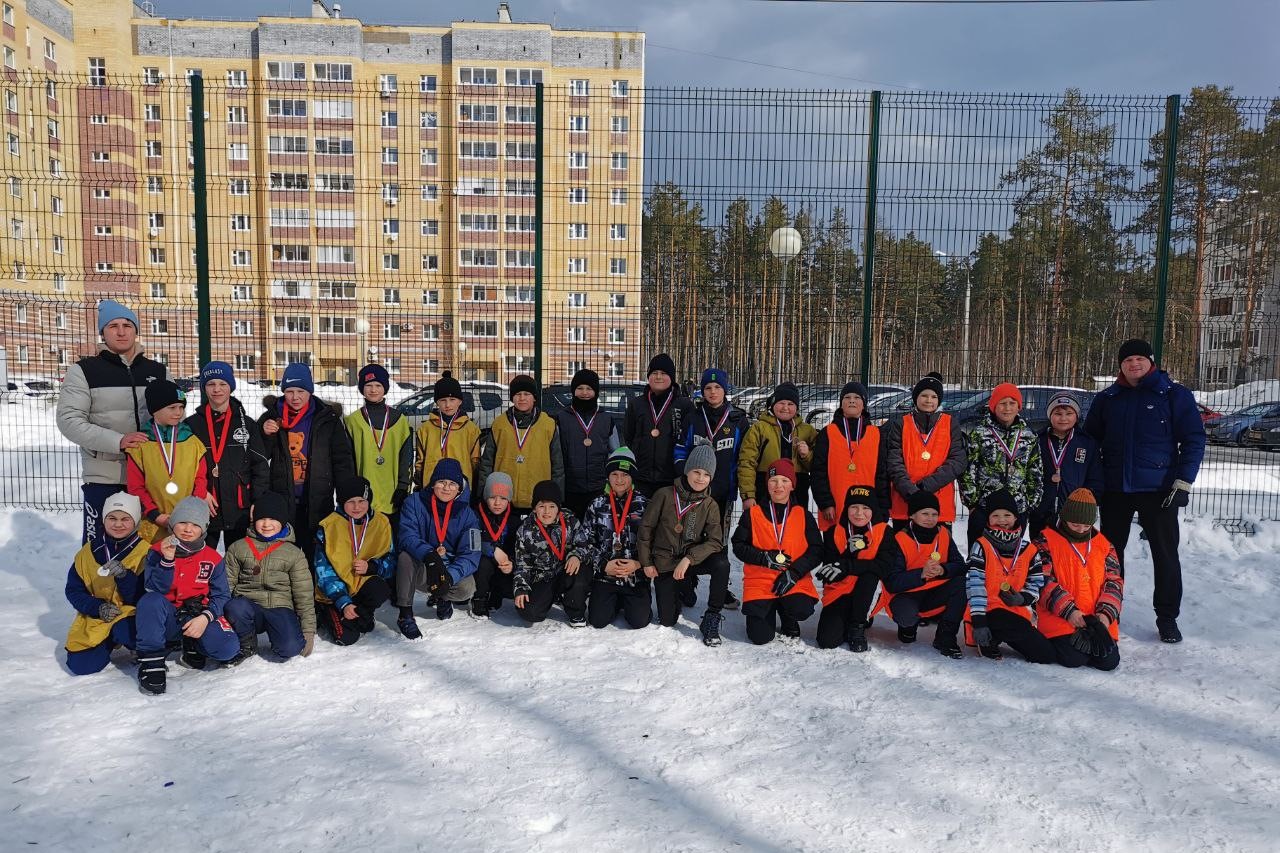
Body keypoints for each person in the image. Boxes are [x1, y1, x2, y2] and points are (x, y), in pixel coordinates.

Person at [1084, 338, 1205, 644]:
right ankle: (1111, 609)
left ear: (1151, 361)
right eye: (1127, 360)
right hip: (1115, 490)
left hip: (1159, 490)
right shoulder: (1108, 399)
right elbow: (1088, 441)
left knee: (1165, 555)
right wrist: (1090, 482)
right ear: (1120, 366)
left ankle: (1167, 617)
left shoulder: (1174, 395)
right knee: (1110, 555)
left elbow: (1193, 439)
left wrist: (1183, 482)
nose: (1133, 364)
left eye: (1139, 359)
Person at [57, 299, 167, 543]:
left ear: (136, 330)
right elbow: (69, 420)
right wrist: (118, 441)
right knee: (101, 552)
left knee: (151, 550)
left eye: (127, 325)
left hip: (152, 476)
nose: (121, 331)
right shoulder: (84, 371)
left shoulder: (158, 371)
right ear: (102, 333)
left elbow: (171, 417)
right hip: (106, 477)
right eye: (113, 326)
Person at [134, 497, 240, 694]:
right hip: (167, 617)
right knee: (149, 601)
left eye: (195, 524)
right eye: (182, 522)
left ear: (204, 528)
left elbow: (222, 595)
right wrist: (167, 560)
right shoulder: (156, 551)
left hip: (197, 615)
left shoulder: (212, 558)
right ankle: (152, 663)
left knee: (228, 649)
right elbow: (153, 589)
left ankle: (192, 645)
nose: (188, 529)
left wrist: (205, 617)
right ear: (173, 523)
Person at [259, 363, 357, 559]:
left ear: (310, 391)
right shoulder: (272, 417)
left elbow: (341, 460)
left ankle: (315, 590)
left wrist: (346, 495)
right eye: (290, 391)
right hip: (283, 500)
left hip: (318, 500)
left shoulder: (327, 418)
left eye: (301, 391)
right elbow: (260, 457)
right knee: (286, 556)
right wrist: (265, 435)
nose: (295, 397)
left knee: (317, 555)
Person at [638, 443, 730, 645]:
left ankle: (712, 616)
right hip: (665, 562)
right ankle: (680, 587)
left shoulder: (710, 504)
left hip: (689, 562)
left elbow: (715, 541)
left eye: (706, 475)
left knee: (722, 563)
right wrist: (646, 562)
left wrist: (690, 558)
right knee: (667, 620)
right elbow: (646, 529)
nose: (700, 478)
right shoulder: (663, 494)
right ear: (687, 470)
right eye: (696, 471)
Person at [732, 459, 822, 645]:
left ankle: (787, 614)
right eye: (773, 480)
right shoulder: (752, 514)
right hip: (760, 581)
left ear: (792, 485)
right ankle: (769, 609)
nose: (778, 486)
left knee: (801, 609)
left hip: (792, 579)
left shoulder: (803, 515)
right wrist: (763, 558)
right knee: (760, 637)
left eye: (784, 481)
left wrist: (795, 572)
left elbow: (816, 550)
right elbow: (738, 546)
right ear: (767, 484)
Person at [185, 361, 271, 550]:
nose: (217, 389)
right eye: (211, 384)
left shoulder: (247, 424)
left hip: (241, 508)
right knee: (202, 562)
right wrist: (199, 491)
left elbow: (260, 466)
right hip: (205, 506)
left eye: (223, 384)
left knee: (239, 562)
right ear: (204, 388)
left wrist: (257, 500)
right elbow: (183, 467)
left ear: (231, 387)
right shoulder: (191, 425)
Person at [1034, 489, 1123, 671]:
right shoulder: (1045, 541)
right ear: (1064, 518)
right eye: (1075, 525)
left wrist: (1105, 616)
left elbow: (1114, 583)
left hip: (1096, 619)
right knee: (1073, 658)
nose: (1081, 530)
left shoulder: (1105, 545)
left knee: (1109, 662)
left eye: (1086, 526)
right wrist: (1070, 612)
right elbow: (1042, 581)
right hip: (1062, 615)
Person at [63, 492, 150, 675]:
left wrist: (125, 576)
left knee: (131, 631)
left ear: (135, 521)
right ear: (104, 519)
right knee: (81, 666)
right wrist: (98, 607)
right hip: (98, 616)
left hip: (129, 614)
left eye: (125, 519)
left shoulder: (146, 552)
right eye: (112, 518)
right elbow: (73, 590)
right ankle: (107, 640)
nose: (118, 524)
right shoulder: (88, 552)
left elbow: (145, 597)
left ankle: (139, 648)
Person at [223, 491, 315, 663]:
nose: (266, 524)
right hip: (247, 606)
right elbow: (226, 585)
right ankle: (247, 642)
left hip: (279, 607)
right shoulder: (238, 548)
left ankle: (281, 634)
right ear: (254, 519)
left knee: (290, 648)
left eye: (273, 519)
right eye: (262, 519)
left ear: (282, 521)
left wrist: (308, 630)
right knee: (235, 607)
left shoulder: (293, 553)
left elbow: (304, 594)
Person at [965, 489, 1055, 664]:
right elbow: (974, 584)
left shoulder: (1029, 550)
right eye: (995, 515)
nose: (1001, 520)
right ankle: (986, 636)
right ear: (989, 519)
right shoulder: (981, 545)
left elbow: (1036, 583)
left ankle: (998, 635)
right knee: (1015, 627)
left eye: (1007, 515)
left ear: (1015, 518)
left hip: (1014, 610)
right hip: (987, 610)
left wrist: (1022, 598)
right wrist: (979, 621)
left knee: (1045, 656)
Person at [395, 459, 481, 637]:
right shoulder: (414, 502)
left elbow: (472, 554)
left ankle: (442, 596)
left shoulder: (469, 514)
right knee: (404, 557)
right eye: (441, 482)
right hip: (424, 564)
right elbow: (406, 536)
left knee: (467, 588)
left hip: (449, 567)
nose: (446, 488)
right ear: (433, 484)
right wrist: (430, 555)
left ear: (459, 488)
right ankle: (405, 615)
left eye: (452, 484)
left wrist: (449, 577)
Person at [880, 491, 967, 658]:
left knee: (962, 584)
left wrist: (943, 570)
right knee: (906, 618)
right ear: (912, 515)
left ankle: (945, 637)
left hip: (935, 591)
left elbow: (960, 566)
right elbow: (892, 581)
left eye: (935, 514)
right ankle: (907, 626)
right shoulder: (898, 539)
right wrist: (921, 574)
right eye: (925, 513)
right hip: (907, 594)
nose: (930, 518)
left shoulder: (944, 534)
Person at [812, 486, 899, 653]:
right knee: (827, 641)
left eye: (866, 508)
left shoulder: (884, 532)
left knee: (870, 573)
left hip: (867, 592)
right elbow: (829, 572)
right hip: (840, 591)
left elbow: (885, 566)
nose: (859, 513)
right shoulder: (834, 532)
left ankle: (857, 626)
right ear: (846, 508)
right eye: (854, 507)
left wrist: (847, 565)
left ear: (874, 509)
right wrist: (847, 554)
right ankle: (847, 617)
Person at [313, 477, 396, 646]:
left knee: (380, 589)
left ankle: (359, 612)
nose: (357, 507)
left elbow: (392, 561)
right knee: (347, 637)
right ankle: (327, 611)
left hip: (361, 587)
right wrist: (343, 602)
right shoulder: (329, 526)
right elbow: (323, 572)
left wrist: (373, 566)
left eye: (361, 501)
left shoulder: (381, 522)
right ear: (342, 502)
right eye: (350, 502)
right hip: (334, 593)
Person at [959, 383, 1042, 548]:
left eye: (1012, 403)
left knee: (1011, 560)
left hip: (1017, 509)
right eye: (1002, 403)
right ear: (993, 406)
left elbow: (1035, 471)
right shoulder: (980, 433)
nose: (1007, 408)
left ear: (1019, 406)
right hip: (984, 508)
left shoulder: (1028, 436)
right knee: (980, 556)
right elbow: (968, 470)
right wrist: (973, 503)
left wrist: (1031, 503)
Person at [126, 379, 209, 544]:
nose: (178, 412)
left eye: (181, 407)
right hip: (152, 523)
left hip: (187, 525)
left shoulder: (193, 443)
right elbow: (136, 487)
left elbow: (200, 480)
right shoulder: (139, 445)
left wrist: (189, 514)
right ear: (155, 409)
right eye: (172, 408)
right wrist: (155, 515)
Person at [578, 448, 651, 630]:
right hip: (606, 576)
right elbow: (584, 541)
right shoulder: (597, 504)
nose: (619, 480)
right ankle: (615, 600)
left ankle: (631, 600)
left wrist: (638, 564)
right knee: (598, 621)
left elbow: (656, 541)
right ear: (608, 476)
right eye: (614, 474)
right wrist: (602, 565)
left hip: (634, 576)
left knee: (639, 621)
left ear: (632, 476)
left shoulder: (645, 505)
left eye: (624, 474)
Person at [883, 374, 967, 529]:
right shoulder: (901, 424)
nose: (929, 400)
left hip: (939, 505)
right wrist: (911, 492)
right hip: (906, 503)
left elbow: (957, 461)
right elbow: (894, 462)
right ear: (916, 398)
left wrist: (925, 487)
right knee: (904, 550)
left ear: (939, 400)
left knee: (938, 551)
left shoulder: (950, 424)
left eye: (934, 396)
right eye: (924, 395)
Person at [675, 368, 748, 536]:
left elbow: (744, 458)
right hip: (694, 490)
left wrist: (737, 483)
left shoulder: (738, 420)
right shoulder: (693, 418)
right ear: (702, 390)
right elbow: (680, 450)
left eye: (717, 387)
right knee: (692, 536)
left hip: (723, 491)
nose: (713, 391)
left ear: (725, 390)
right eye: (708, 387)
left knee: (719, 540)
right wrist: (684, 474)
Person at [476, 375, 564, 514]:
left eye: (527, 394)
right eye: (518, 394)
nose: (522, 398)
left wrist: (557, 497)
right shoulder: (500, 424)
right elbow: (487, 461)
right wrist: (483, 493)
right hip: (504, 499)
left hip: (538, 500)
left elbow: (557, 465)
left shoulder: (548, 425)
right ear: (512, 398)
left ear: (534, 397)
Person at [811, 381, 885, 533]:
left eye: (857, 397)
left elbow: (882, 474)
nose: (852, 400)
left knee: (865, 552)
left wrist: (881, 506)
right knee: (835, 551)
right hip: (834, 507)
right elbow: (818, 471)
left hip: (866, 511)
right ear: (841, 403)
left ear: (864, 404)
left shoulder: (876, 434)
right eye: (847, 397)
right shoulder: (828, 433)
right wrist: (825, 503)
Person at [511, 481, 588, 626]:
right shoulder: (524, 530)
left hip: (568, 572)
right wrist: (521, 588)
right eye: (541, 506)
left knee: (581, 572)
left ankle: (575, 611)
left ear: (558, 508)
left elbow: (584, 545)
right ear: (534, 508)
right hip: (544, 578)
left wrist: (576, 555)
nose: (547, 512)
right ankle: (551, 598)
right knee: (529, 612)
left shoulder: (571, 522)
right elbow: (522, 564)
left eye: (552, 506)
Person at [345, 363, 413, 521]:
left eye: (378, 385)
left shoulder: (399, 420)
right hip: (361, 499)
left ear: (385, 388)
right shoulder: (353, 421)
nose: (373, 390)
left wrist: (403, 487)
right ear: (362, 388)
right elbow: (348, 460)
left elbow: (406, 458)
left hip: (392, 495)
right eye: (368, 385)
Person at [1031, 393, 1103, 537]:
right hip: (1041, 511)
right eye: (1058, 413)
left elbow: (1095, 478)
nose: (1063, 418)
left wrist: (1086, 501)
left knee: (1069, 554)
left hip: (1073, 514)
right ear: (1049, 415)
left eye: (1069, 413)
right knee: (1040, 553)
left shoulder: (1087, 443)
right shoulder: (1037, 441)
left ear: (1076, 415)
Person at [737, 382, 818, 511]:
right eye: (781, 403)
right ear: (773, 405)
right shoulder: (759, 429)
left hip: (797, 492)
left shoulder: (808, 432)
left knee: (793, 529)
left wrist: (806, 455)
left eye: (790, 404)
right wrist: (748, 495)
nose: (785, 407)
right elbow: (746, 462)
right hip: (764, 490)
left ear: (797, 407)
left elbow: (818, 464)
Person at [622, 353, 693, 498]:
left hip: (672, 478)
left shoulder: (684, 405)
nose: (658, 377)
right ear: (648, 376)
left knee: (666, 519)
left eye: (663, 373)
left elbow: (689, 439)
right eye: (654, 373)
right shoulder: (637, 404)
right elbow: (628, 436)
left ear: (672, 378)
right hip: (641, 477)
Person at [553, 368, 620, 518]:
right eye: (580, 388)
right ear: (573, 391)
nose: (584, 393)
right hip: (569, 489)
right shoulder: (561, 418)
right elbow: (555, 453)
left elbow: (614, 453)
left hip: (599, 488)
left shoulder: (606, 419)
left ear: (596, 392)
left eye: (589, 388)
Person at [413, 371, 481, 491]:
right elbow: (420, 462)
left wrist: (474, 488)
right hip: (431, 487)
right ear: (437, 402)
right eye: (443, 400)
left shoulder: (471, 429)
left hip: (460, 488)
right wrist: (419, 483)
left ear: (460, 401)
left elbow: (475, 462)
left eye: (452, 399)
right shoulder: (426, 429)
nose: (448, 404)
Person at [470, 472, 520, 619]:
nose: (497, 503)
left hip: (503, 565)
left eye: (503, 498)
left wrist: (511, 562)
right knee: (484, 563)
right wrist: (492, 550)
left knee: (508, 570)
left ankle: (497, 592)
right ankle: (479, 598)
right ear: (486, 497)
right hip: (481, 562)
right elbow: (471, 540)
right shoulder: (475, 514)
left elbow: (519, 547)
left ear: (509, 499)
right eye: (492, 497)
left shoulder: (515, 520)